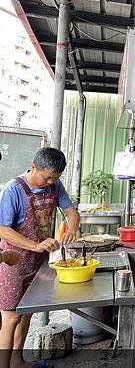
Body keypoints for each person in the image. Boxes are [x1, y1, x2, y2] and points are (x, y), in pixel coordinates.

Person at [0, 148, 80, 368]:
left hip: (38, 262)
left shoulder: (55, 185)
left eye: (55, 178)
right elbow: (3, 230)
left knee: (26, 313)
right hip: (13, 261)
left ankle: (17, 361)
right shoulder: (13, 189)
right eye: (47, 177)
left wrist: (71, 230)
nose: (50, 182)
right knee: (11, 318)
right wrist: (35, 245)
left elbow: (72, 212)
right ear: (33, 166)